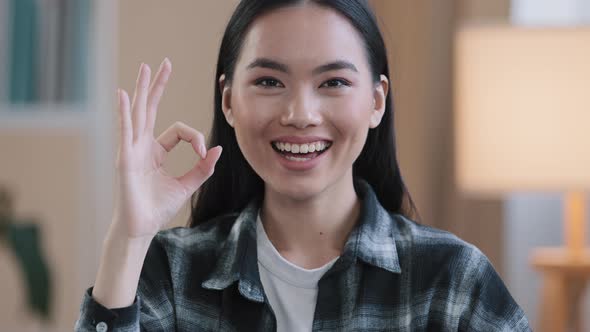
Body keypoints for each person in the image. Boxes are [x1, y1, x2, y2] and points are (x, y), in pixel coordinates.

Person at [75, 0, 531, 331]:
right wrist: (129, 240)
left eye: (333, 81)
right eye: (270, 81)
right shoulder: (168, 274)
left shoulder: (452, 282)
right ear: (229, 100)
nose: (300, 113)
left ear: (376, 101)